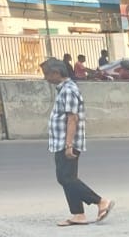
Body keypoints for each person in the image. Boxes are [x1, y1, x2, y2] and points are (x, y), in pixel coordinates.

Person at [40, 57, 114, 227]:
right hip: (62, 141)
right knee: (67, 178)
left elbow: (72, 119)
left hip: (66, 142)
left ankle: (100, 201)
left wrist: (69, 145)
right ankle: (78, 214)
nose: (45, 78)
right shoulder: (64, 89)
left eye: (47, 74)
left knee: (66, 178)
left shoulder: (69, 90)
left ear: (56, 73)